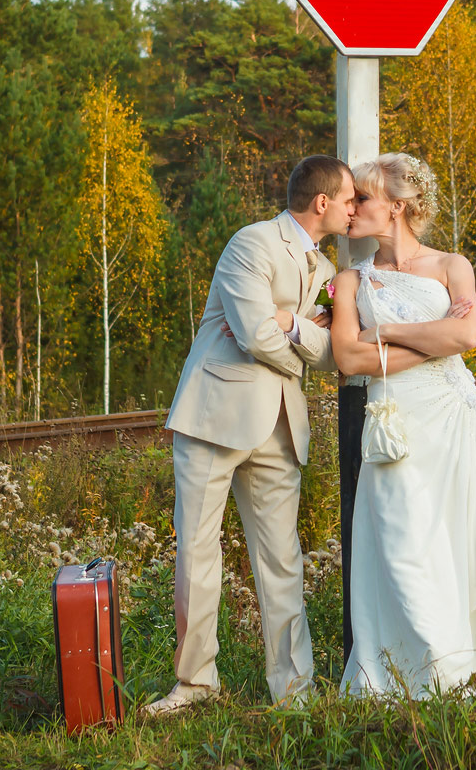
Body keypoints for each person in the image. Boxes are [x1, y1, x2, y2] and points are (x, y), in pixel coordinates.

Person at [330, 152, 476, 707]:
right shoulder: (349, 279)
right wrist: (427, 341)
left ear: (397, 207)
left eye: (362, 197)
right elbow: (349, 359)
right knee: (403, 548)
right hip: (394, 429)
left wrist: (384, 331)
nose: (352, 208)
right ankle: (428, 682)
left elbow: (468, 337)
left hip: (451, 421)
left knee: (462, 543)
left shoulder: (453, 266)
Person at [143, 155, 356, 716]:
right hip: (214, 416)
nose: (355, 208)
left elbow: (334, 354)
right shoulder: (252, 243)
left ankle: (294, 692)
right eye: (350, 199)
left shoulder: (328, 273)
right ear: (322, 203)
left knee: (283, 561)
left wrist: (294, 329)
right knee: (196, 551)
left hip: (281, 426)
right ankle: (194, 684)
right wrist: (295, 332)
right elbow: (257, 336)